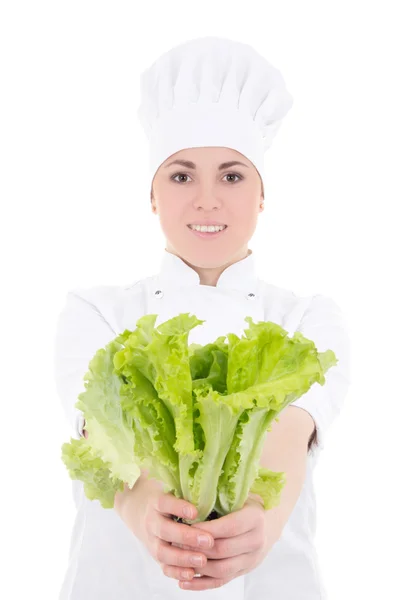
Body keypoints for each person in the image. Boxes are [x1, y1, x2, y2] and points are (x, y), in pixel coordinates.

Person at [54, 36, 352, 600]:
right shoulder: (95, 313)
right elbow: (99, 431)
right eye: (182, 175)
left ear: (263, 194)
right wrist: (144, 507)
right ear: (152, 195)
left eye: (233, 176)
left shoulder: (310, 321)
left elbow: (289, 438)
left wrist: (259, 517)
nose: (207, 200)